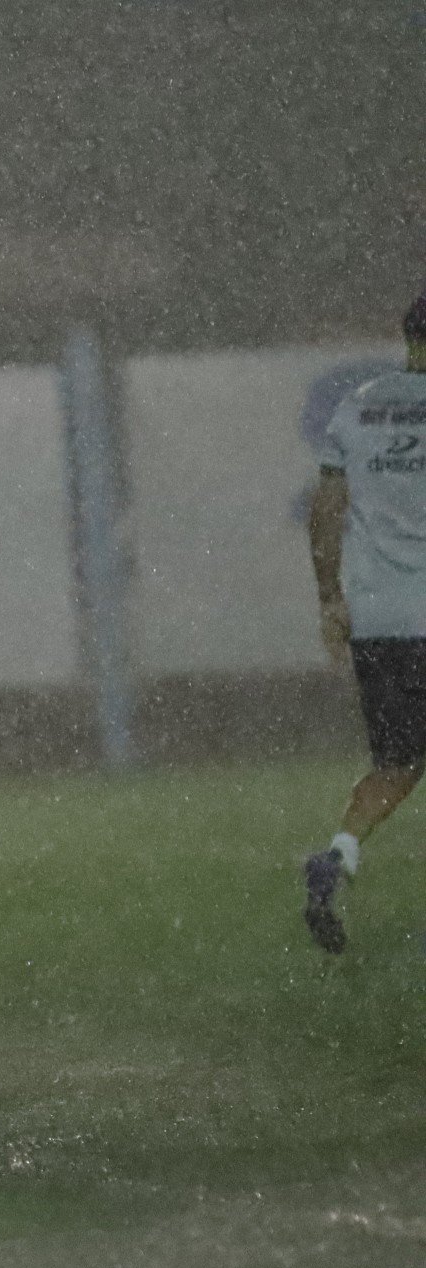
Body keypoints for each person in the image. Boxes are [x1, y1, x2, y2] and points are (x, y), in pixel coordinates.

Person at [302, 293, 426, 953]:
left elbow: (325, 510)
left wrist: (331, 599)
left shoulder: (358, 407)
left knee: (398, 761)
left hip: (382, 616)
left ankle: (339, 854)